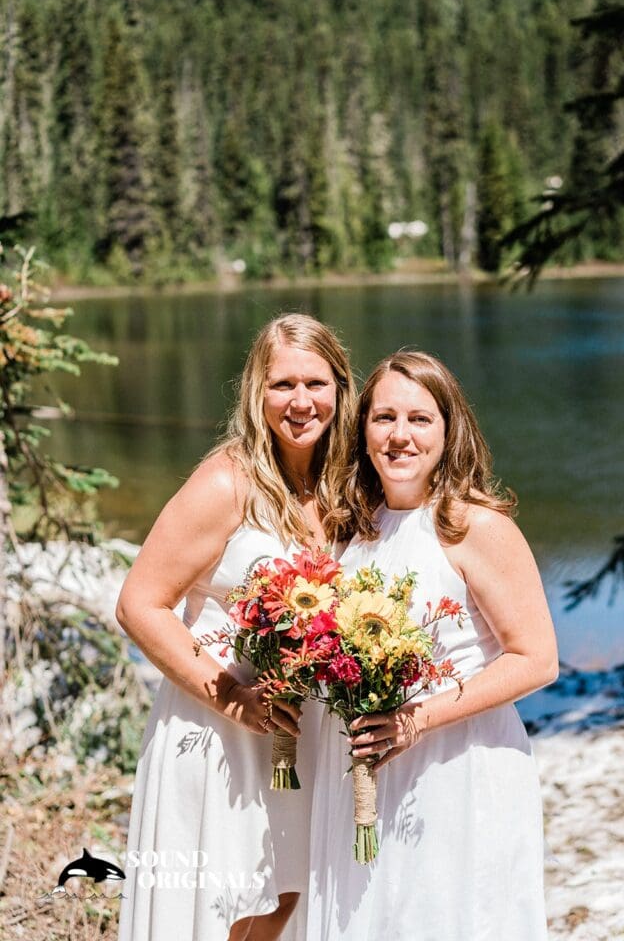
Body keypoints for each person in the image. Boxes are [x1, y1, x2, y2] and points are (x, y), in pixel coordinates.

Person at [116, 313, 355, 941]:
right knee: (224, 906)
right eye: (282, 385)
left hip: (301, 732)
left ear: (341, 387)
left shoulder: (346, 486)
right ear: (257, 392)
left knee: (286, 900)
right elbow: (140, 603)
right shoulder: (227, 481)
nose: (300, 402)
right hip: (216, 728)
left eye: (316, 383)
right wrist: (234, 697)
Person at [307, 351, 558, 941]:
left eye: (420, 419)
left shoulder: (474, 526)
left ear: (449, 431)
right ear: (361, 429)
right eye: (383, 418)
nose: (399, 436)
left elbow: (537, 658)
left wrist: (415, 720)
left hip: (458, 770)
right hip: (363, 771)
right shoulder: (353, 530)